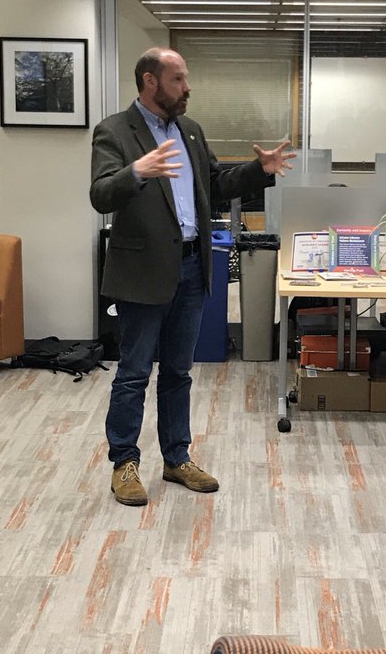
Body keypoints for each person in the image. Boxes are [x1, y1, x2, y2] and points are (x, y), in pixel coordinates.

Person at [90, 47, 296, 506]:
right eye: (178, 79)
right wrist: (137, 171)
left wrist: (258, 171)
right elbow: (101, 194)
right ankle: (124, 463)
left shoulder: (191, 131)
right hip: (143, 273)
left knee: (179, 372)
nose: (187, 88)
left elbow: (216, 182)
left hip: (190, 266)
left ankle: (176, 457)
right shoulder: (114, 131)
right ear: (150, 81)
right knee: (133, 373)